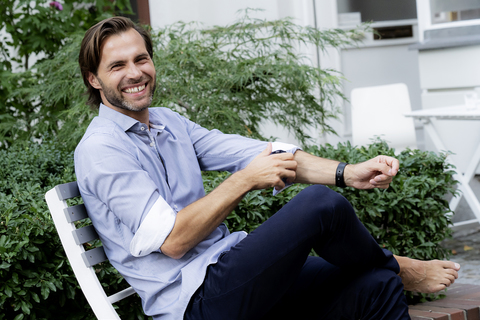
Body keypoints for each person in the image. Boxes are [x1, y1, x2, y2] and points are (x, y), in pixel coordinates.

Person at [75, 16, 460, 320]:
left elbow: (263, 152)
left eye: (141, 59)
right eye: (118, 66)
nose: (135, 73)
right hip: (197, 302)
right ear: (94, 79)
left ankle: (390, 270)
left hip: (235, 275)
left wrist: (348, 172)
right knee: (319, 205)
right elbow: (173, 241)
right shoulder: (102, 150)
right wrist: (243, 181)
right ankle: (400, 266)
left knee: (377, 284)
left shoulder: (168, 123)